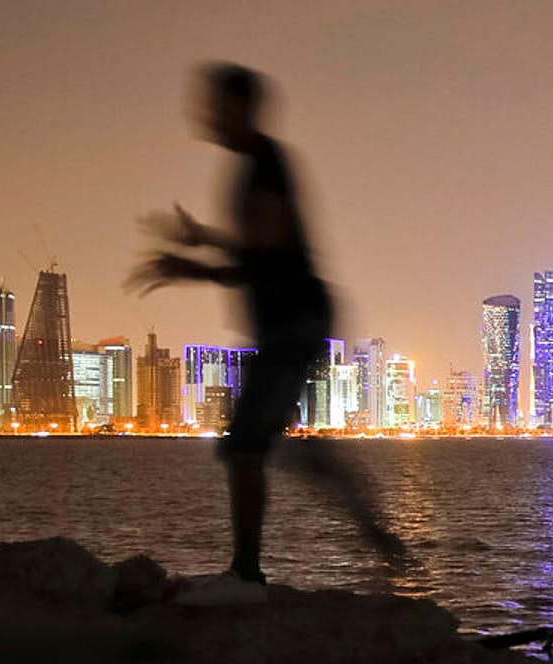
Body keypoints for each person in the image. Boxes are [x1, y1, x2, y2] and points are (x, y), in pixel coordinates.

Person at [129, 63, 402, 605]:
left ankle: (246, 578)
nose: (204, 116)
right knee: (272, 443)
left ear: (241, 108)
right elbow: (260, 247)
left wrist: (192, 267)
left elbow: (267, 259)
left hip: (295, 322)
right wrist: (202, 239)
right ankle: (372, 528)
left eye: (215, 105)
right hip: (293, 322)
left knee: (245, 445)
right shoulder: (257, 168)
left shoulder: (264, 166)